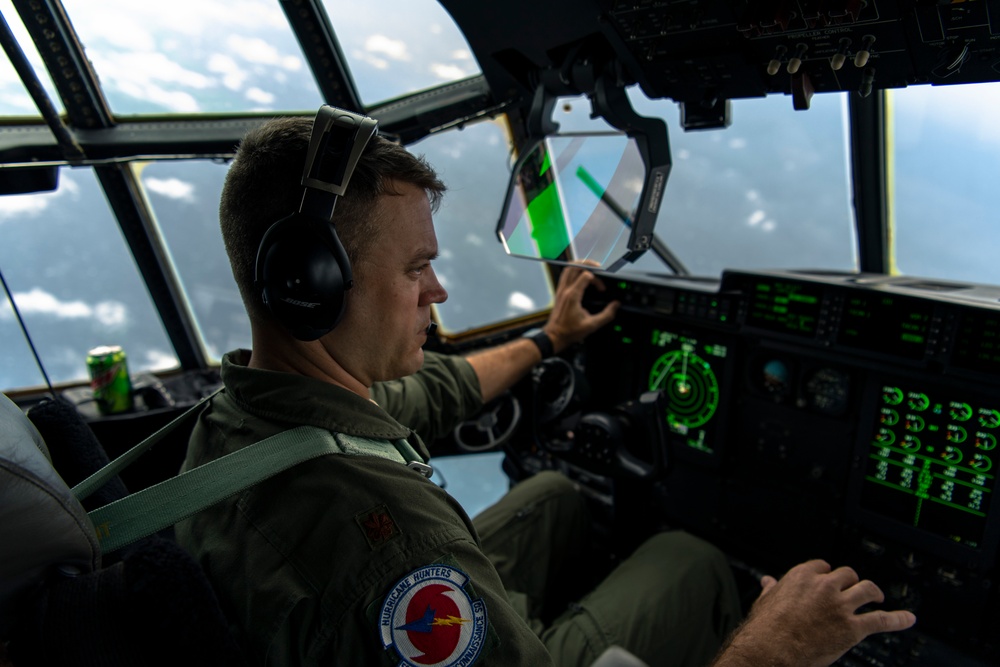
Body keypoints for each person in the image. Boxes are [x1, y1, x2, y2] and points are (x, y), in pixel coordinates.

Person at [176, 111, 915, 667]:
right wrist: (775, 647)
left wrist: (547, 340)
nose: (437, 288)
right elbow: (400, 552)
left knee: (557, 495)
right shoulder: (396, 551)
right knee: (687, 557)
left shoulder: (243, 415)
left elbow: (441, 390)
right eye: (414, 269)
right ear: (314, 284)